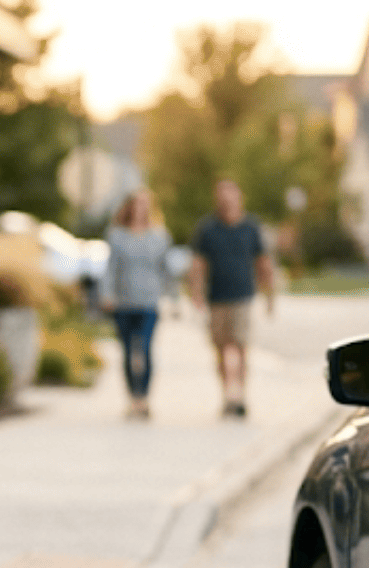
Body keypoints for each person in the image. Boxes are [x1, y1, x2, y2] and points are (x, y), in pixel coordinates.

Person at [187, 178, 275, 418]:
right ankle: (227, 394)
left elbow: (263, 262)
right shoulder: (207, 228)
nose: (226, 200)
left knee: (241, 347)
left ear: (239, 197)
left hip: (243, 297)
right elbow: (198, 264)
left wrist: (270, 296)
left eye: (230, 195)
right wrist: (196, 293)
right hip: (216, 298)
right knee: (221, 349)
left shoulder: (250, 227)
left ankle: (241, 395)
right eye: (221, 195)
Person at [101, 189, 174, 419]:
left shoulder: (159, 237)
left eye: (145, 204)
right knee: (126, 352)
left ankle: (144, 397)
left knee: (144, 348)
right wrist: (107, 294)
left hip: (149, 302)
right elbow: (111, 268)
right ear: (129, 207)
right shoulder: (117, 236)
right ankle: (132, 397)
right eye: (136, 204)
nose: (140, 208)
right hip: (123, 302)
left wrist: (174, 298)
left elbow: (166, 270)